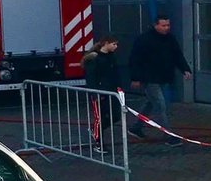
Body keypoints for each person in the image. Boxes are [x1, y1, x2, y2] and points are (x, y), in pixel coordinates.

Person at [128, 15, 192, 145]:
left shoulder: (170, 38)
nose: (166, 28)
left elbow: (177, 54)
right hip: (149, 77)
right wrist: (135, 78)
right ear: (155, 25)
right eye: (163, 25)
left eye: (168, 25)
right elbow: (135, 59)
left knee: (151, 103)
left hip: (163, 76)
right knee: (160, 105)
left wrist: (185, 69)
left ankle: (136, 127)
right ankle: (168, 135)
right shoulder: (144, 39)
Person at [82, 37, 120, 152]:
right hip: (99, 92)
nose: (116, 47)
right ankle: (98, 143)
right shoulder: (94, 58)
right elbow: (91, 77)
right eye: (114, 44)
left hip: (111, 91)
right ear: (106, 43)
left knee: (115, 115)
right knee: (100, 117)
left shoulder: (111, 57)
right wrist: (95, 93)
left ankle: (96, 132)